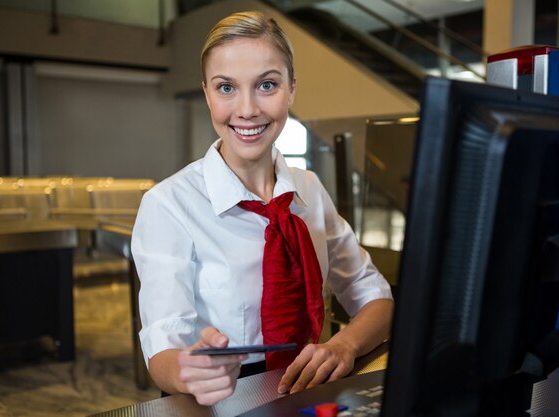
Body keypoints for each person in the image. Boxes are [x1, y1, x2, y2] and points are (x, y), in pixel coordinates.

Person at [131, 10, 394, 406]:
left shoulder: (309, 190)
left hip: (307, 387)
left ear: (291, 90)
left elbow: (375, 297)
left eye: (267, 85)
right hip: (219, 399)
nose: (247, 108)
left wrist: (344, 346)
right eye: (226, 88)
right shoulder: (168, 204)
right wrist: (190, 368)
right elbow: (162, 350)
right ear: (206, 93)